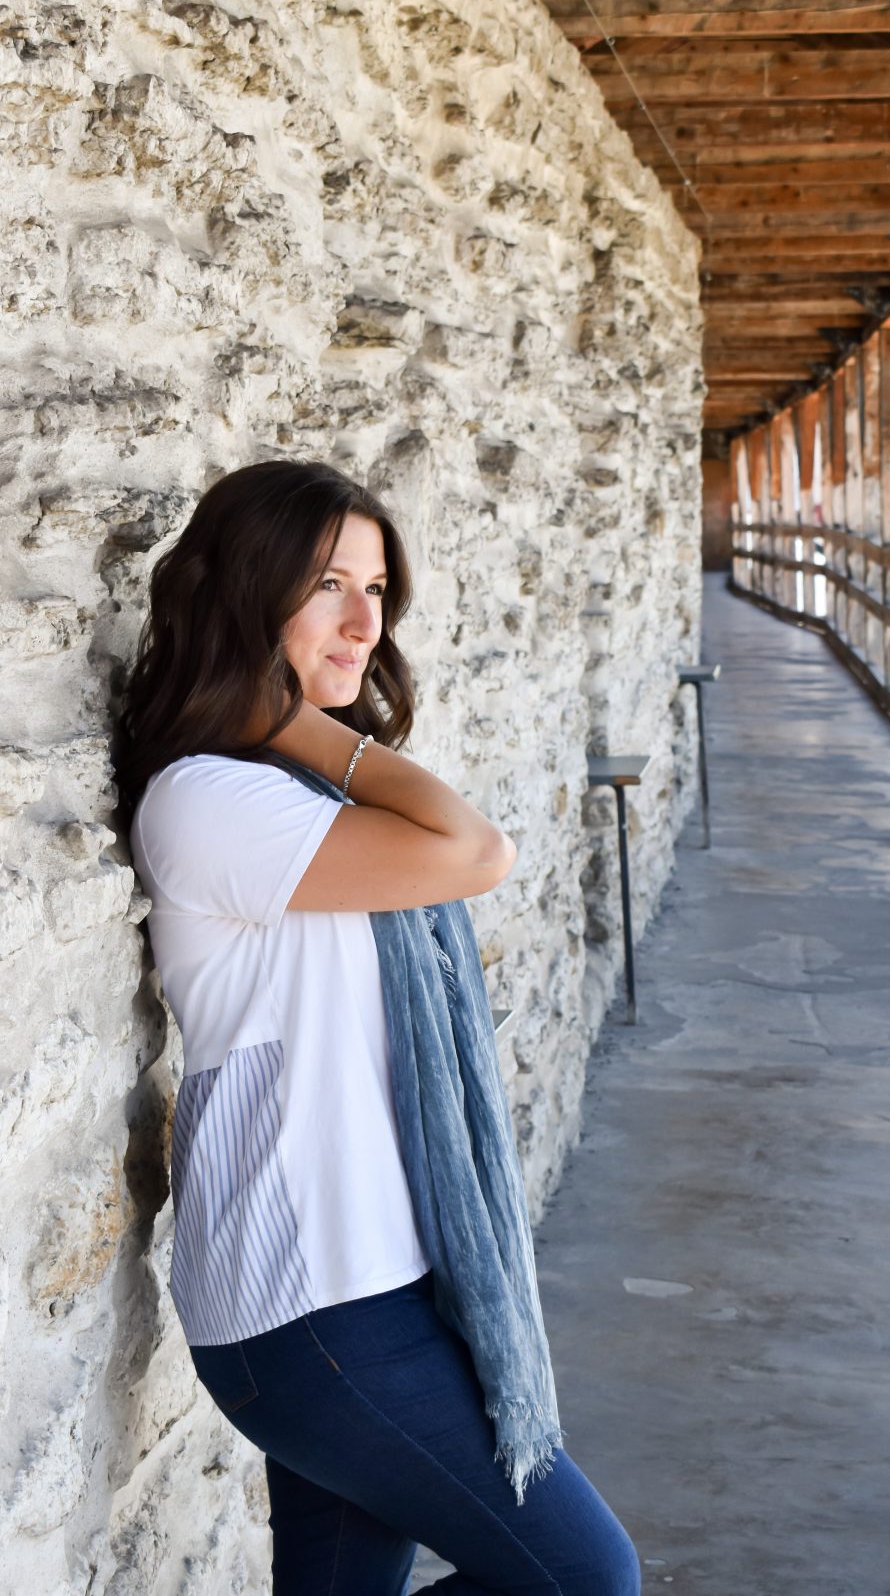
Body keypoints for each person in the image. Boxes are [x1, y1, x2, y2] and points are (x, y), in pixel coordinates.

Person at [114, 458, 641, 1596]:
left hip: (367, 1282)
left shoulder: (295, 804)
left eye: (377, 587)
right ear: (250, 595)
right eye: (328, 587)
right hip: (314, 1310)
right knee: (583, 1576)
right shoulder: (213, 798)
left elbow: (451, 849)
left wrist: (300, 727)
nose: (366, 620)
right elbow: (475, 850)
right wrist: (298, 724)